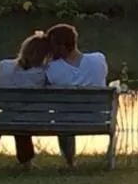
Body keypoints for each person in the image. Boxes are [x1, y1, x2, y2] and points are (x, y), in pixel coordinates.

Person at [43, 22, 108, 168]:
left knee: (63, 117)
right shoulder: (98, 59)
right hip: (98, 118)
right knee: (66, 115)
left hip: (66, 121)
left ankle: (70, 161)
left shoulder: (52, 68)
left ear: (60, 47)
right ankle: (109, 158)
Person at [0, 31, 51, 165]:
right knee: (24, 112)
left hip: (10, 116)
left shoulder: (4, 65)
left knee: (15, 111)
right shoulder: (45, 71)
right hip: (39, 117)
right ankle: (26, 161)